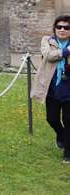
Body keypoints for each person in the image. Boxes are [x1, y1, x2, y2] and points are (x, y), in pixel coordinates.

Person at [32, 15, 70, 163]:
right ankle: (61, 135)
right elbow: (48, 56)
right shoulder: (47, 41)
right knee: (51, 118)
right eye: (59, 27)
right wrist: (66, 51)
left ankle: (68, 152)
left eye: (66, 27)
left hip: (68, 88)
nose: (62, 30)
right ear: (54, 28)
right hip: (52, 87)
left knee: (68, 120)